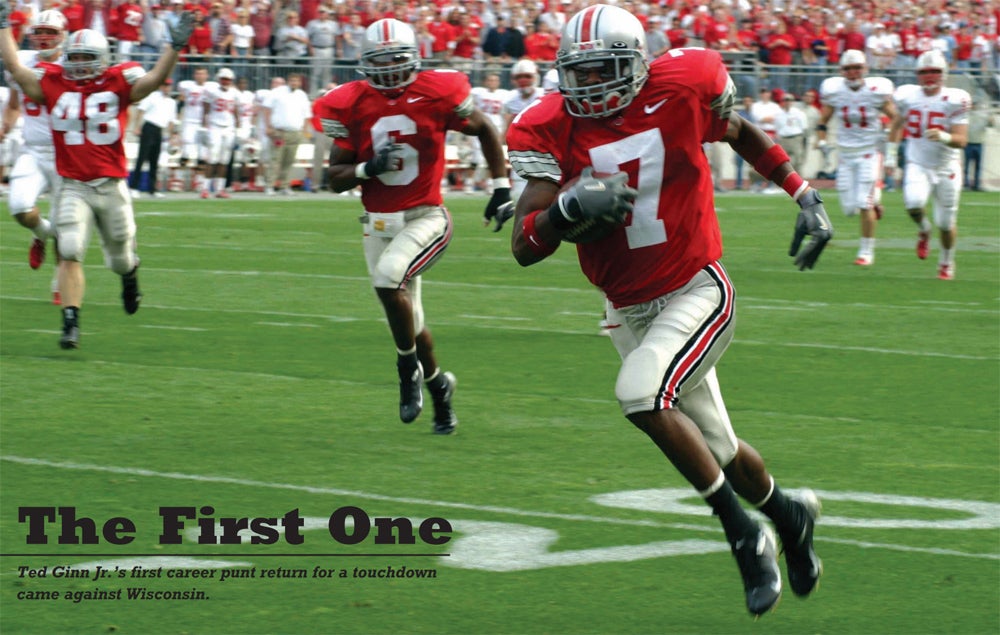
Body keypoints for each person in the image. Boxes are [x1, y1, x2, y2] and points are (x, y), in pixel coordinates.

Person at [505, 4, 828, 617]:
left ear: (636, 63)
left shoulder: (683, 86)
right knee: (721, 448)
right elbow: (524, 245)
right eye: (579, 73)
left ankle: (742, 534)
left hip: (695, 288)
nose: (590, 85)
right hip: (625, 307)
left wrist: (802, 192)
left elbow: (739, 132)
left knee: (641, 393)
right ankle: (787, 515)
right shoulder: (548, 125)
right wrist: (564, 214)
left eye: (603, 69)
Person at [314, 18, 512, 435]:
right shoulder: (352, 103)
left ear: (413, 59)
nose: (388, 69)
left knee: (390, 282)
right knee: (411, 321)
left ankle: (407, 371)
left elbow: (486, 129)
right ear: (365, 64)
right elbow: (333, 178)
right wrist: (369, 167)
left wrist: (500, 188)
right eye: (379, 62)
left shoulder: (436, 93)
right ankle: (440, 387)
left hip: (427, 217)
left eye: (395, 60)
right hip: (378, 224)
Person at [0, 7, 194, 349]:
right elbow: (15, 68)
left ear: (102, 58)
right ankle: (71, 321)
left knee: (119, 258)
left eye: (86, 57)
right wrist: (3, 27)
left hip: (111, 184)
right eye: (73, 57)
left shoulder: (118, 80)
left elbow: (151, 82)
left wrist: (172, 49)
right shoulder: (52, 80)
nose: (79, 63)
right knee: (71, 248)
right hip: (73, 184)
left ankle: (130, 275)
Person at [889, 50, 971, 281]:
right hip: (918, 163)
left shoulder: (955, 99)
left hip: (947, 167)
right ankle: (924, 229)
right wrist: (890, 156)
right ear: (917, 74)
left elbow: (961, 140)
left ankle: (946, 262)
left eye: (934, 71)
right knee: (913, 203)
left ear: (944, 73)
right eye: (925, 72)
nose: (929, 76)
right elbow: (897, 124)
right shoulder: (907, 95)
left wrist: (943, 136)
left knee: (946, 223)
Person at [816, 49, 897, 266]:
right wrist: (821, 140)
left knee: (863, 203)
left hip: (869, 152)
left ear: (865, 69)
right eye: (849, 68)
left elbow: (896, 117)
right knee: (849, 209)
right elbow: (824, 118)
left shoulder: (876, 90)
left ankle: (866, 252)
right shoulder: (834, 91)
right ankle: (875, 201)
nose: (853, 73)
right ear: (842, 71)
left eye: (857, 68)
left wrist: (891, 150)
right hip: (845, 154)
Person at [2, 9, 66, 280]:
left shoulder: (74, 64)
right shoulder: (24, 62)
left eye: (50, 33)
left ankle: (60, 287)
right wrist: (5, 125)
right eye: (38, 32)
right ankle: (41, 233)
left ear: (63, 35)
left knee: (66, 225)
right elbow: (15, 104)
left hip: (68, 153)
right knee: (18, 207)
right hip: (33, 150)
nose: (43, 37)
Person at [262, 72, 312, 195]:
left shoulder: (302, 95)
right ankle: (269, 185)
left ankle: (285, 186)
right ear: (288, 81)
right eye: (292, 80)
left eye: (297, 81)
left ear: (300, 83)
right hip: (280, 131)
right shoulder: (278, 92)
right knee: (275, 159)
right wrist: (268, 126)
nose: (294, 83)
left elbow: (307, 114)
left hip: (295, 132)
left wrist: (304, 130)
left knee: (289, 161)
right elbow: (267, 108)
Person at [128, 78, 177, 199]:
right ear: (160, 86)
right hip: (149, 127)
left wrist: (171, 135)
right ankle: (134, 187)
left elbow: (171, 120)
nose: (166, 88)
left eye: (168, 86)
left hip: (159, 129)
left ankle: (152, 189)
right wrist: (137, 127)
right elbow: (141, 111)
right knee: (142, 158)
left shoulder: (171, 102)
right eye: (165, 85)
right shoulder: (152, 96)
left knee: (154, 160)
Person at [200, 67, 239, 199]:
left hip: (229, 127)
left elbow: (236, 109)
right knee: (212, 158)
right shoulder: (212, 91)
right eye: (223, 79)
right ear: (219, 79)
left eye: (227, 80)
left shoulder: (234, 93)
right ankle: (205, 188)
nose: (225, 82)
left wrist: (237, 123)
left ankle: (219, 189)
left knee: (224, 160)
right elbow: (205, 107)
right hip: (215, 126)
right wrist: (204, 123)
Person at [177, 67, 216, 192]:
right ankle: (179, 180)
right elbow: (181, 100)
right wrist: (178, 117)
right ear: (194, 75)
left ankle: (199, 181)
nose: (200, 76)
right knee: (186, 151)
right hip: (189, 121)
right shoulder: (187, 86)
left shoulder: (212, 87)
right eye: (198, 73)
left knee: (202, 153)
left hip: (204, 123)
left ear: (207, 75)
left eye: (202, 73)